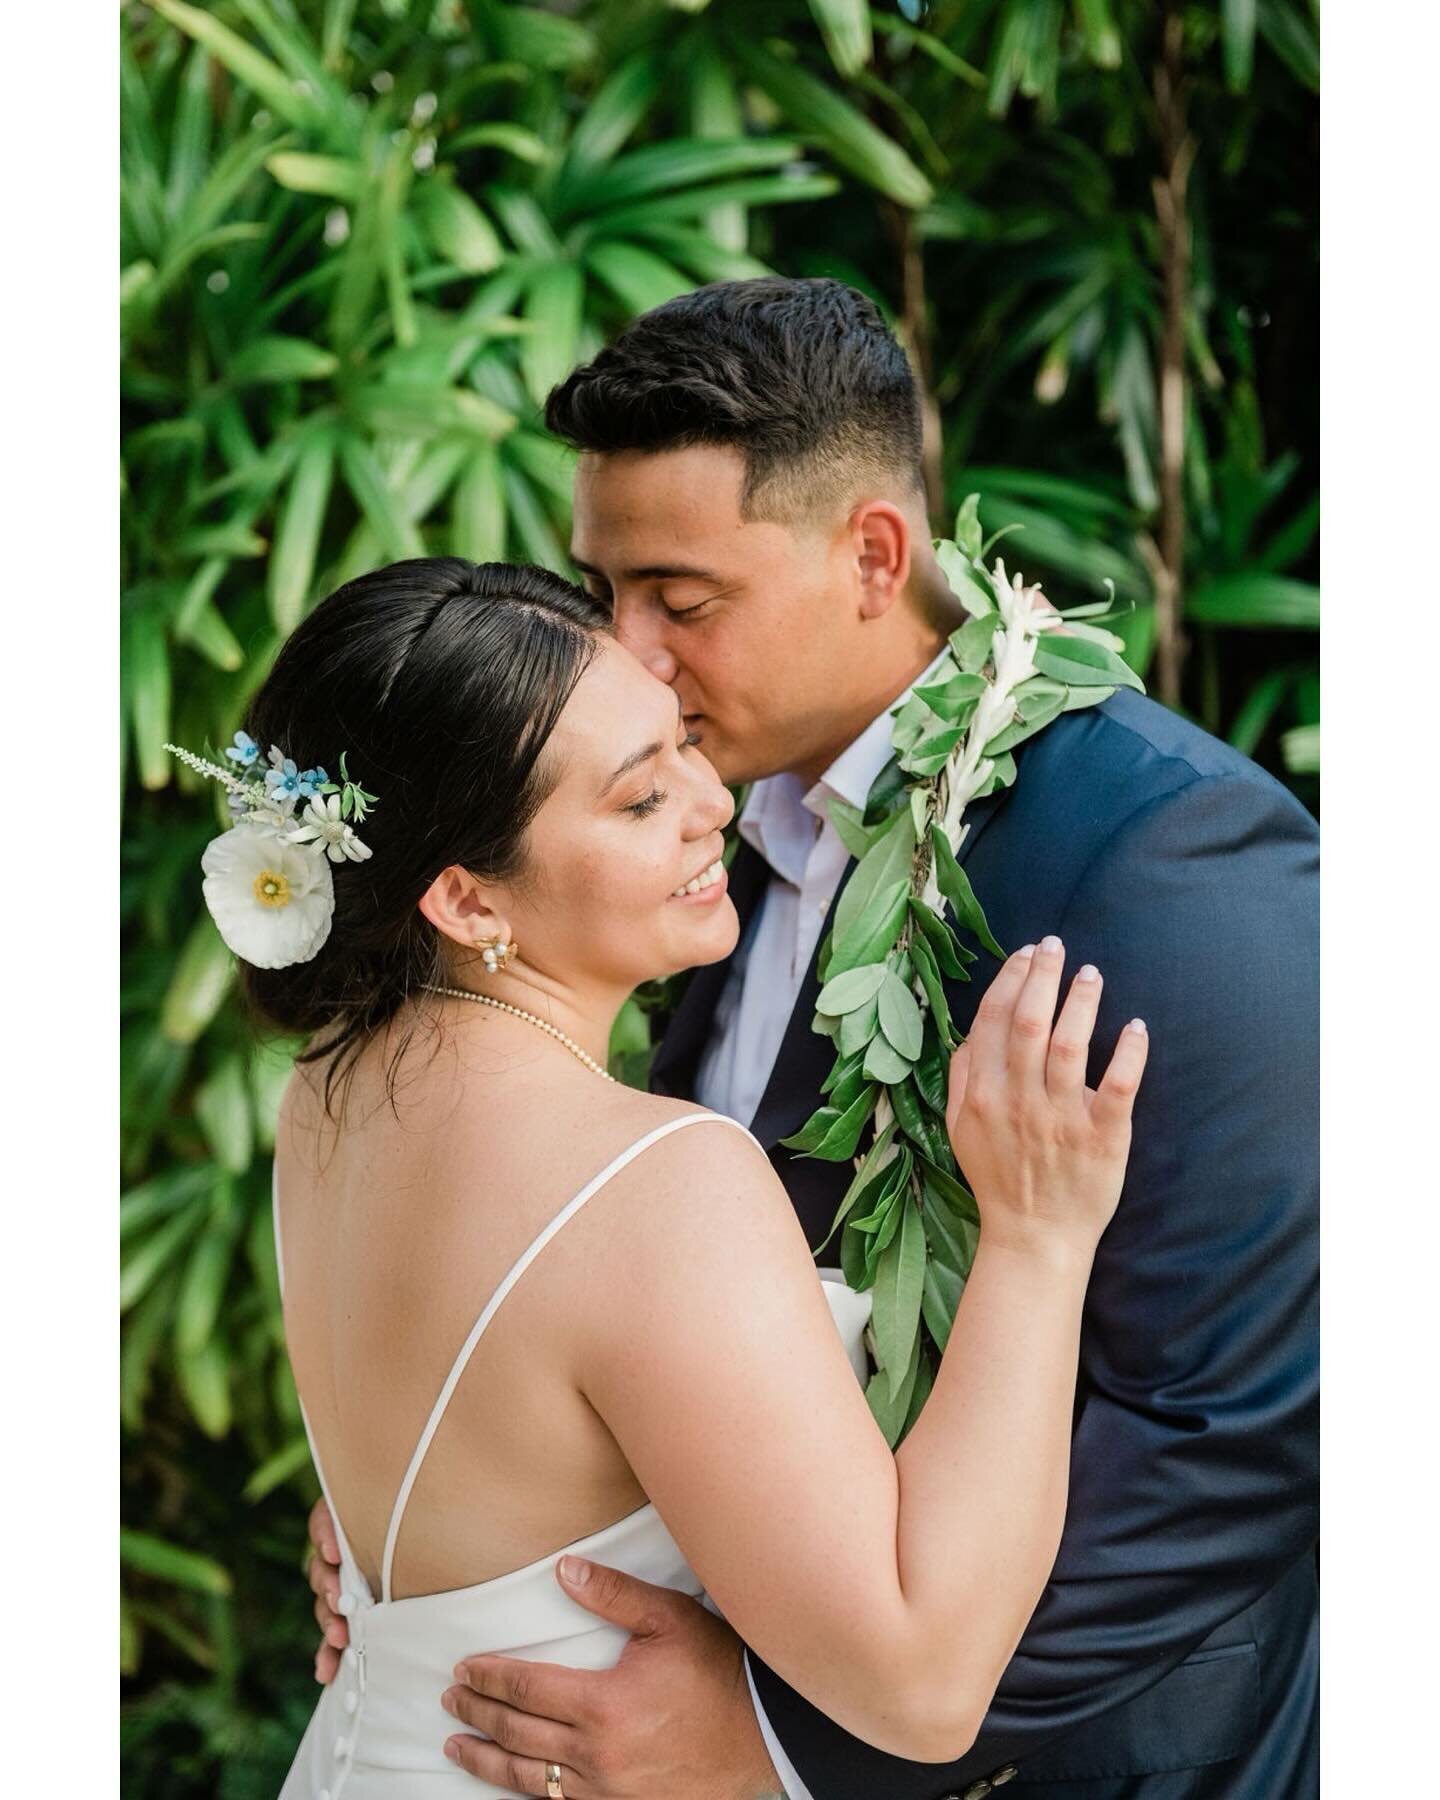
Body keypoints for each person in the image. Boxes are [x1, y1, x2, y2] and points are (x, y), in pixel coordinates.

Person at [308, 279, 1320, 1799]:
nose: (629, 658)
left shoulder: (1172, 864)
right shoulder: (680, 849)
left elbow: (1231, 1427)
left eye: (682, 601)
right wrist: (454, 1512)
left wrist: (778, 1743)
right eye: (603, 593)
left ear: (872, 554)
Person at [247, 556, 1147, 1800]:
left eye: (678, 747)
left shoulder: (328, 1089)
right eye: (635, 801)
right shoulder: (659, 1182)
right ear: (463, 896)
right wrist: (1038, 1241)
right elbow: (925, 1686)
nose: (710, 804)